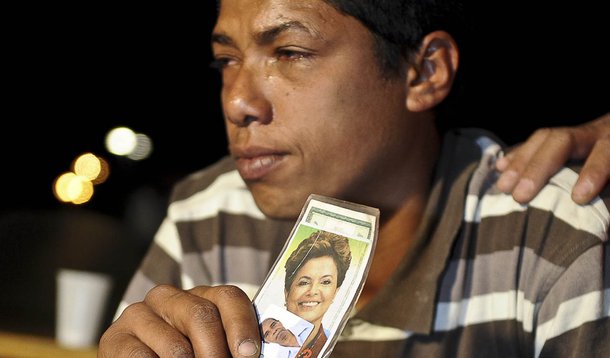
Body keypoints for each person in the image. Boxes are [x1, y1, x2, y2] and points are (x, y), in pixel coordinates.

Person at [99, 1, 610, 357]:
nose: (237, 101)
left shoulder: (547, 233)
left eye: (291, 53)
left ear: (424, 72)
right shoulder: (208, 216)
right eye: (226, 60)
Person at [283, 231, 352, 358]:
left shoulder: (340, 350)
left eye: (325, 282)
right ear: (286, 292)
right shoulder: (260, 335)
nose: (313, 291)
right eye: (304, 282)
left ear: (335, 292)